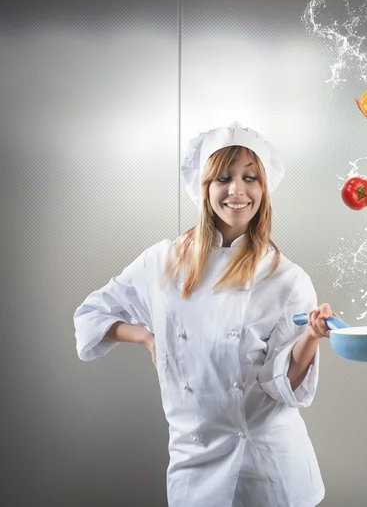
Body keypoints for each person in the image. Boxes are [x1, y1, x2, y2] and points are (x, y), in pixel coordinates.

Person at [73, 121, 337, 507]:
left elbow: (280, 383)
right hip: (193, 461)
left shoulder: (287, 278)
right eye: (223, 178)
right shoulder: (164, 260)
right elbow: (92, 313)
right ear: (204, 188)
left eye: (251, 178)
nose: (237, 191)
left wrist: (311, 337)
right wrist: (148, 336)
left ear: (263, 190)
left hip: (268, 467)